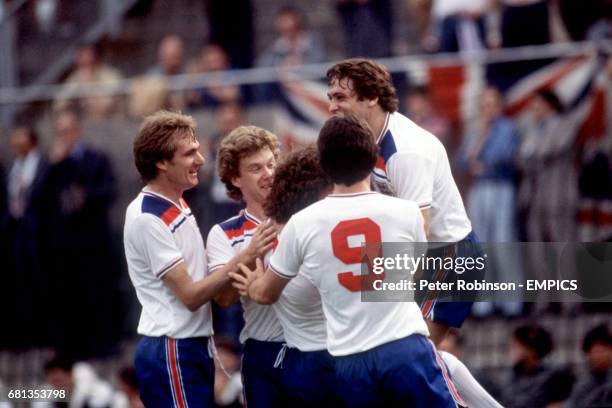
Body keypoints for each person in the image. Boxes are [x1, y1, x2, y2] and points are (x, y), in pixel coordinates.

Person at [231, 114, 462, 407]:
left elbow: (265, 293)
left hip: (349, 362)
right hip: (402, 345)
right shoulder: (407, 212)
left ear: (324, 165)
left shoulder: (302, 224)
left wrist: (252, 285)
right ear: (373, 157)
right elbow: (413, 276)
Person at [326, 58, 479, 345]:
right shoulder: (366, 139)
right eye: (330, 97)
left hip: (447, 257)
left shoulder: (405, 152)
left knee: (410, 352)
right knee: (411, 358)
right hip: (423, 253)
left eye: (340, 97)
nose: (332, 106)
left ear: (371, 97)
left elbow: (418, 231)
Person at [124, 111, 230, 407]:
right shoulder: (148, 216)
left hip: (190, 345)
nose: (201, 160)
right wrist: (244, 256)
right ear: (161, 162)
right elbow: (191, 295)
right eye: (190, 153)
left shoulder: (176, 201)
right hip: (174, 346)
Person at [205, 126, 286, 408]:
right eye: (255, 168)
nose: (268, 174)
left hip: (311, 346)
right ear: (235, 178)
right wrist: (251, 253)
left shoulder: (305, 219)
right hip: (262, 350)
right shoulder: (223, 233)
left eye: (271, 164)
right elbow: (224, 297)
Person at [42, 109, 120, 358]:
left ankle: (102, 345)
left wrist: (85, 197)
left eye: (67, 131)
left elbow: (109, 190)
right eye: (59, 133)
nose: (64, 137)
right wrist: (54, 165)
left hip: (93, 239)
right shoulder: (53, 164)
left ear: (77, 131)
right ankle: (74, 346)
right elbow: (43, 197)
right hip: (65, 243)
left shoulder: (96, 157)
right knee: (69, 295)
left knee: (97, 291)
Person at [457, 85, 521, 317]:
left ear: (500, 106)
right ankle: (484, 303)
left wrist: (481, 160)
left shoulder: (508, 128)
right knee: (481, 244)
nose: (488, 109)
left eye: (492, 104)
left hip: (501, 187)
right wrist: (480, 140)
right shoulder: (476, 129)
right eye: (484, 105)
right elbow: (463, 160)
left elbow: (503, 156)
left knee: (503, 241)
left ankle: (512, 302)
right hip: (480, 189)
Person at [5, 125, 48, 349]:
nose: (14, 143)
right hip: (16, 237)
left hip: (39, 238)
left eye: (19, 137)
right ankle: (23, 337)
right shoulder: (13, 167)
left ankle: (42, 336)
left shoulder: (44, 165)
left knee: (40, 286)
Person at [565, 323, 612, 407]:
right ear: (588, 354)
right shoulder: (582, 384)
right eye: (597, 352)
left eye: (605, 350)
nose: (601, 356)